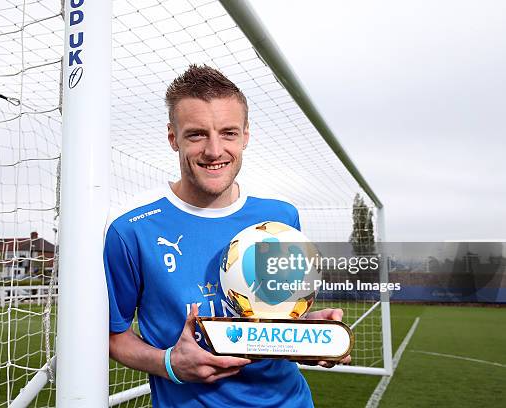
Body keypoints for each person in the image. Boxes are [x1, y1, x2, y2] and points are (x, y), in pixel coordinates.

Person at [105, 64, 350, 407]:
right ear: (173, 137)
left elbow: (267, 317)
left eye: (229, 133)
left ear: (246, 135)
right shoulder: (132, 230)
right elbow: (112, 335)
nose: (215, 150)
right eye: (197, 134)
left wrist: (304, 331)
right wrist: (169, 363)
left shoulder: (280, 218)